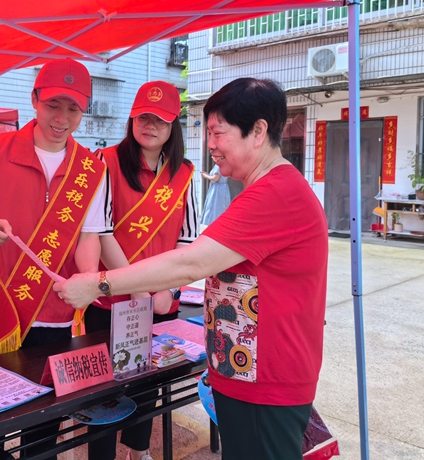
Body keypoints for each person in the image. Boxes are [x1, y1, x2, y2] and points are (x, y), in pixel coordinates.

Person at [55, 78, 329, 460]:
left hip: (266, 381)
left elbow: (191, 262)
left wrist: (99, 283)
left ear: (258, 132)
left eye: (218, 132)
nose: (210, 144)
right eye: (208, 132)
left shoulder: (275, 194)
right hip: (246, 372)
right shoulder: (262, 189)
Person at [0, 58, 106, 460]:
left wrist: (89, 278)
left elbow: (88, 234)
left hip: (56, 312)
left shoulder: (92, 169)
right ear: (34, 100)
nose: (62, 118)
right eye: (53, 105)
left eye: (73, 108)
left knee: (43, 424)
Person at [88, 81, 199, 460]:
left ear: (173, 126)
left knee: (148, 379)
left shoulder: (184, 172)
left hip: (160, 299)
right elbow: (101, 232)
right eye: (143, 117)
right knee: (104, 389)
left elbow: (188, 238)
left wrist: (168, 289)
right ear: (132, 118)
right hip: (111, 299)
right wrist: (137, 288)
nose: (150, 126)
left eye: (160, 120)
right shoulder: (106, 161)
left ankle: (138, 451)